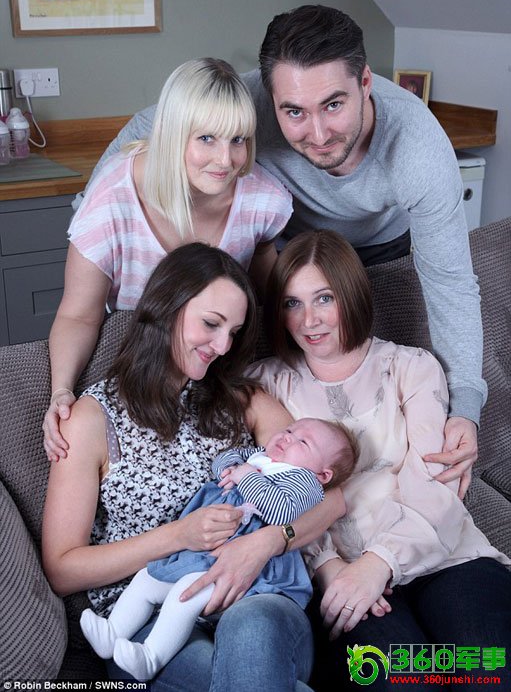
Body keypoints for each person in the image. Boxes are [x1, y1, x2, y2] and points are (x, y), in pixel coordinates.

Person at [82, 6, 484, 497]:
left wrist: (466, 407)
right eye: (293, 112)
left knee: (372, 379)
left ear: (364, 82)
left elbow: (451, 282)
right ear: (268, 97)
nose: (318, 133)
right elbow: (155, 122)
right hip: (285, 246)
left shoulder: (418, 149)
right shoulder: (247, 102)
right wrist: (92, 208)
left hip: (379, 247)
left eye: (333, 105)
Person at [42, 242, 346, 691]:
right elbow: (62, 568)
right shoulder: (92, 419)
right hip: (145, 617)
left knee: (250, 634)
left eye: (233, 332)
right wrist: (178, 536)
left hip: (253, 595)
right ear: (167, 308)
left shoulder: (243, 401)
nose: (222, 346)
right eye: (211, 324)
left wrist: (264, 543)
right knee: (224, 675)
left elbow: (331, 498)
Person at [245, 229, 511, 691]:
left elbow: (436, 482)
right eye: (292, 303)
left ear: (350, 293)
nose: (309, 320)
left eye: (324, 298)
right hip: (342, 577)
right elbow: (267, 492)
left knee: (490, 673)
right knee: (405, 680)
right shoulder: (265, 385)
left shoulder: (411, 367)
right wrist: (329, 570)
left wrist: (380, 562)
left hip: (445, 558)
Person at [43, 57, 292, 462]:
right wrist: (61, 391)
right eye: (207, 138)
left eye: (238, 139)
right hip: (137, 364)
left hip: (217, 369)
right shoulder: (112, 201)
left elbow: (271, 290)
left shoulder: (261, 198)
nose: (226, 160)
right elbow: (78, 315)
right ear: (173, 134)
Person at [79, 417, 359, 681]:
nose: (287, 438)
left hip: (251, 572)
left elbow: (280, 512)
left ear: (323, 474)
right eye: (288, 430)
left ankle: (151, 656)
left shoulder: (304, 482)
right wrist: (230, 467)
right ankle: (113, 632)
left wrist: (245, 476)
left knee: (186, 591)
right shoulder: (260, 456)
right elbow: (227, 458)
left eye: (303, 442)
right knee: (147, 578)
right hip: (205, 554)